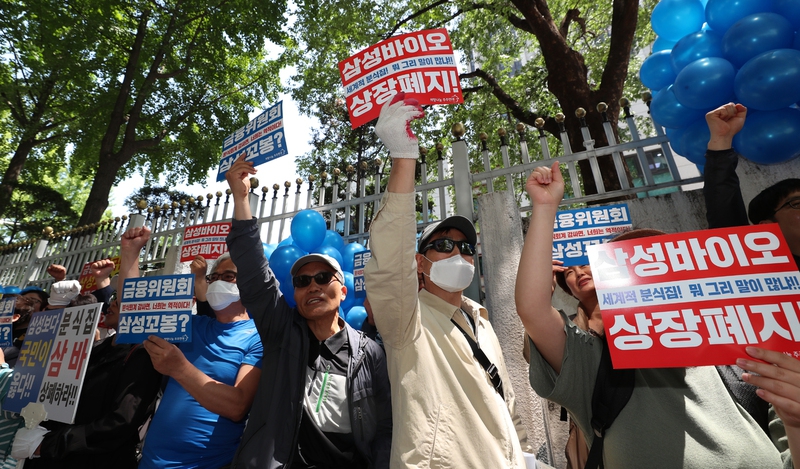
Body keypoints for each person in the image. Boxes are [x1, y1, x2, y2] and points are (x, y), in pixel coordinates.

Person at [517, 160, 800, 468]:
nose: (645, 279)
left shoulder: (743, 359)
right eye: (629, 271)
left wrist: (795, 421)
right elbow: (533, 311)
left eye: (658, 268)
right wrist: (544, 208)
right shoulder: (596, 366)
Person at [364, 94, 532, 467]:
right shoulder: (407, 320)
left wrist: (525, 455)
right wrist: (404, 158)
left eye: (466, 247)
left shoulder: (481, 320)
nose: (458, 253)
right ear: (420, 264)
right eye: (443, 245)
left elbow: (506, 403)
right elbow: (390, 259)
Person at [225, 153, 392, 469]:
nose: (313, 286)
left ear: (342, 292)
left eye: (323, 278)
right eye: (302, 281)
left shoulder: (370, 353)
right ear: (295, 293)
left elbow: (385, 428)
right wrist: (241, 198)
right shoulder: (281, 333)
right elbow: (253, 272)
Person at [118, 226, 263, 469]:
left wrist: (180, 369)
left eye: (228, 276)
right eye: (213, 277)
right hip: (152, 462)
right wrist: (131, 253)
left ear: (248, 283)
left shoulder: (257, 338)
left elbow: (237, 406)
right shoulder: (190, 324)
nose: (217, 282)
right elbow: (135, 309)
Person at [21, 276, 162, 469]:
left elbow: (120, 422)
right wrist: (56, 306)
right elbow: (48, 362)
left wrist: (51, 444)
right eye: (114, 298)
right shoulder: (94, 349)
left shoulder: (142, 356)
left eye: (121, 302)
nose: (112, 303)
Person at [704, 102, 800, 263]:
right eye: (797, 204)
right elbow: (726, 218)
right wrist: (722, 138)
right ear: (767, 228)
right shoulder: (766, 276)